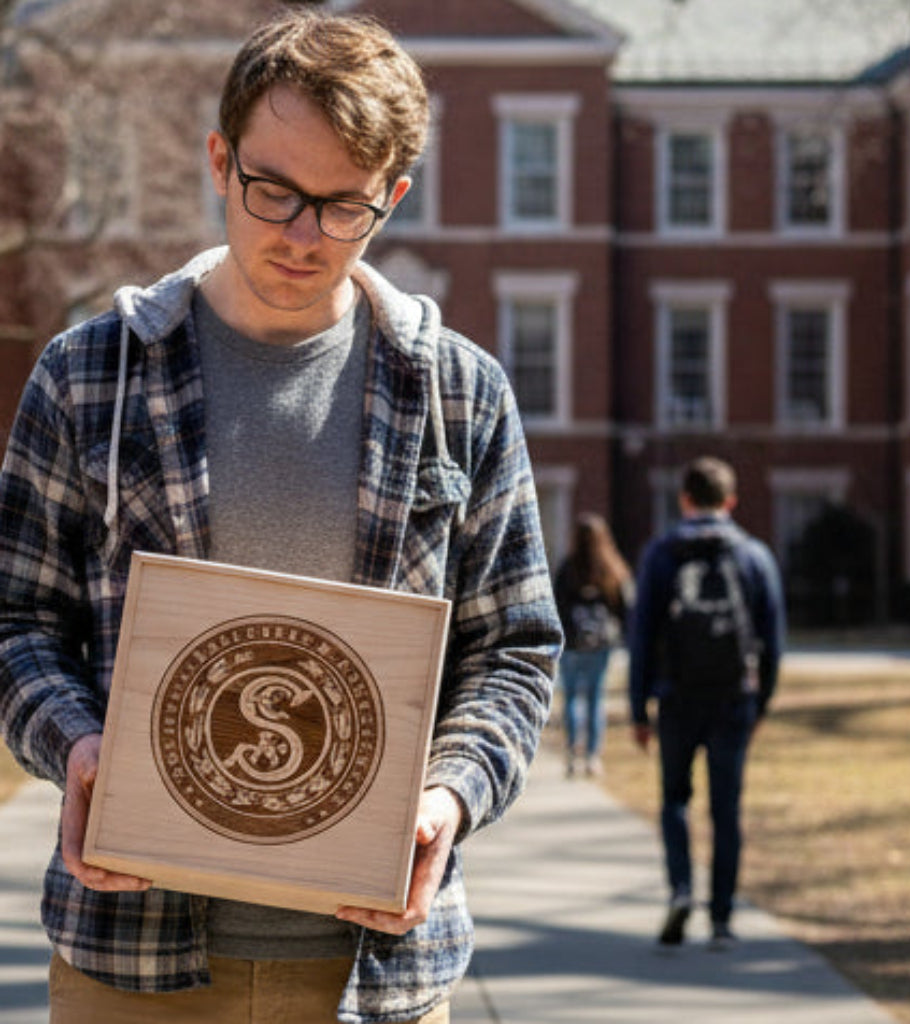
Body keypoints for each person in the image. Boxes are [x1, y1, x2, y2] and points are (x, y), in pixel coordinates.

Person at [0, 9, 561, 1023]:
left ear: (390, 198)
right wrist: (79, 747)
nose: (304, 235)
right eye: (274, 192)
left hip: (379, 964)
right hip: (131, 958)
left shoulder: (460, 394)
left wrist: (447, 798)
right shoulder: (93, 374)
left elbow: (515, 652)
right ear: (220, 160)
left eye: (344, 205)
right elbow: (17, 623)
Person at [629, 456, 784, 950]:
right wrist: (762, 704)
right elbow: (773, 638)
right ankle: (721, 917)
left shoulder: (661, 553)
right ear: (732, 502)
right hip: (733, 699)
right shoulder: (754, 556)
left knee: (675, 799)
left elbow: (642, 635)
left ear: (685, 500)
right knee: (726, 809)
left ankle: (679, 890)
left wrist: (639, 708)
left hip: (677, 697)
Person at [553, 513, 633, 778]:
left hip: (573, 643)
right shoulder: (612, 568)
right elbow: (624, 606)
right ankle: (592, 756)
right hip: (601, 644)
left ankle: (573, 754)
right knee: (595, 699)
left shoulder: (568, 568)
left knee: (573, 699)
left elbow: (556, 606)